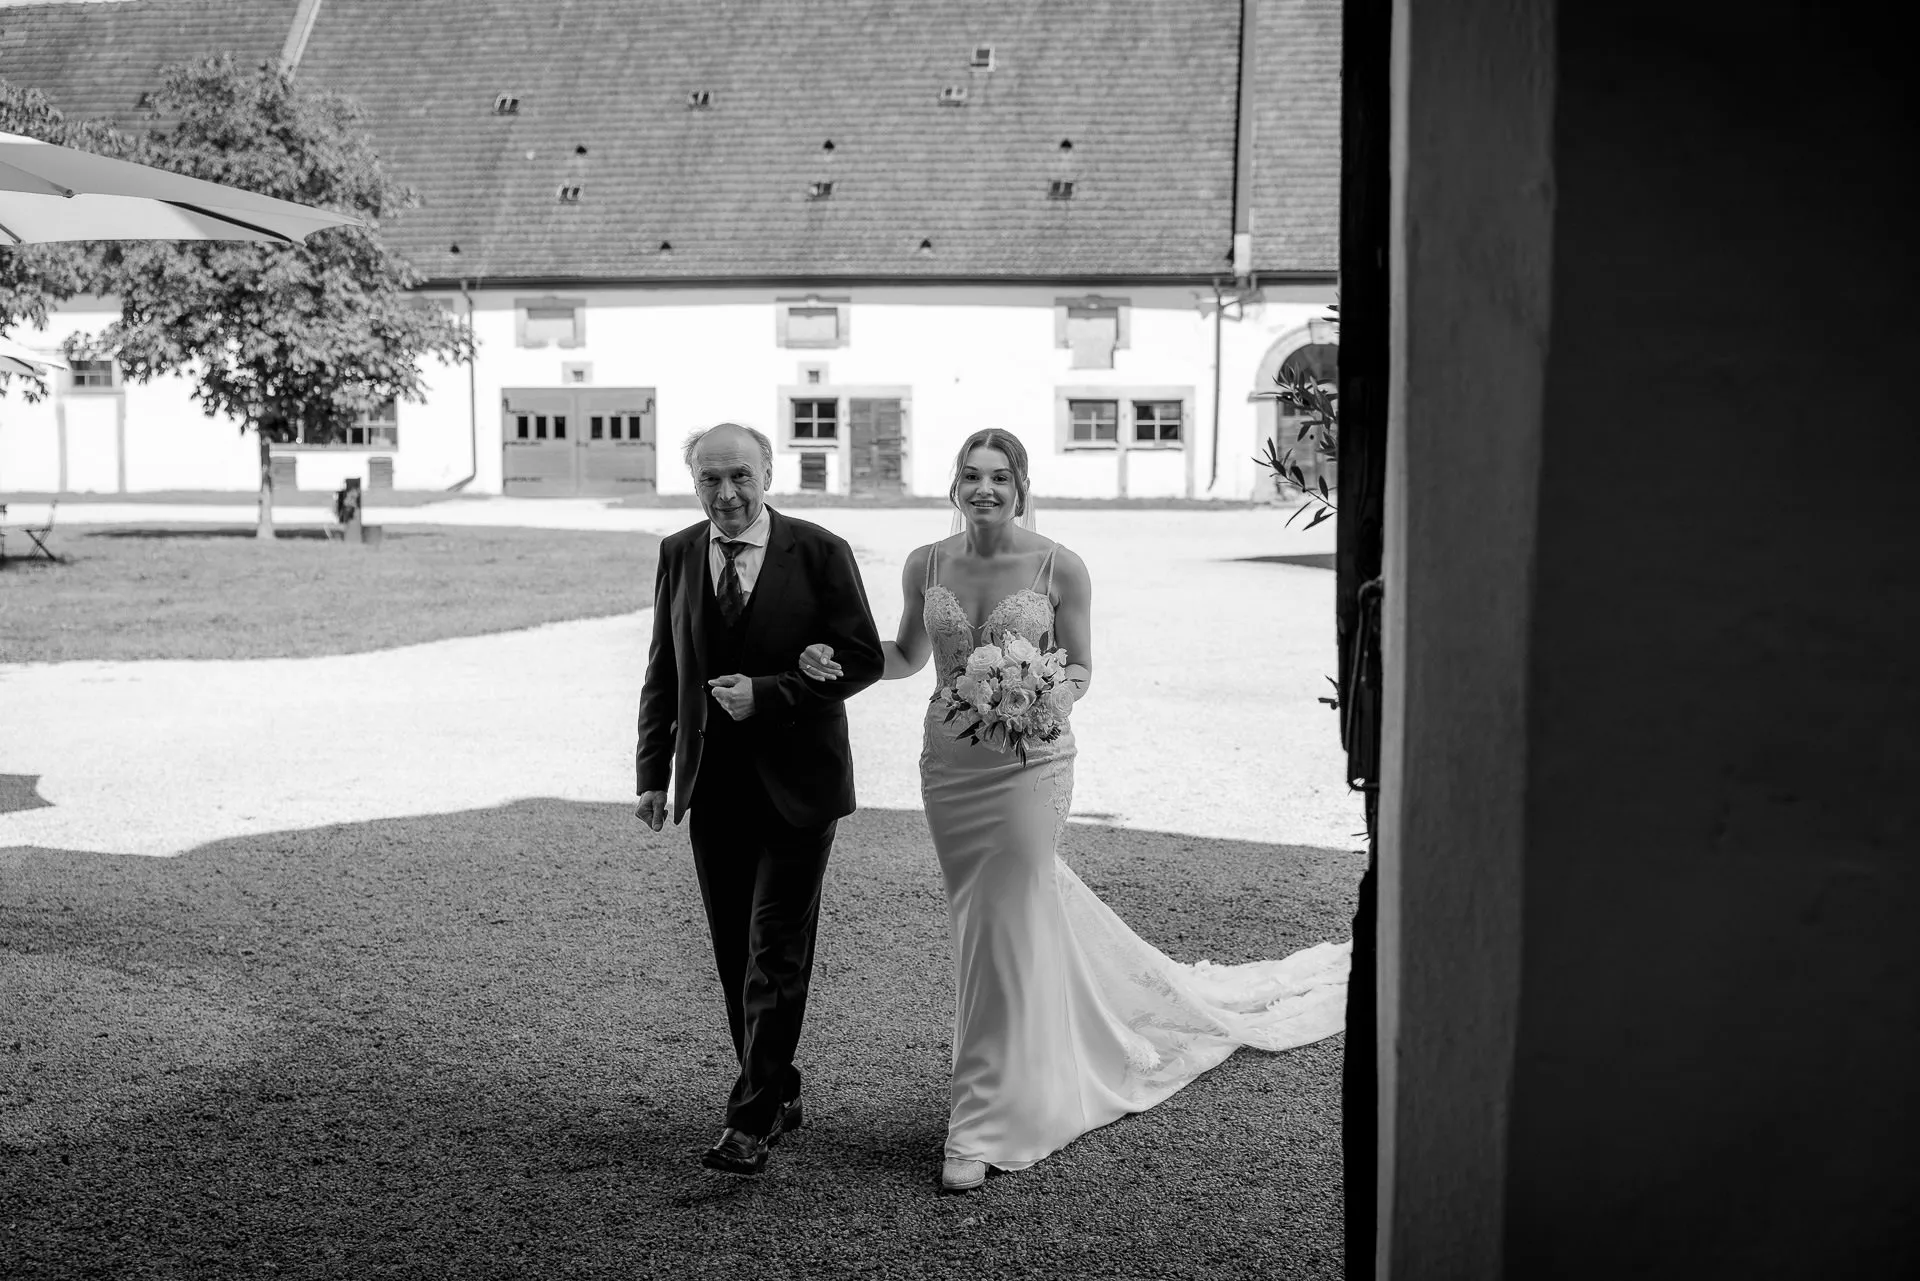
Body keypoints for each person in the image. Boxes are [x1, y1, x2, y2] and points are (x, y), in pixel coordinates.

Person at [798, 428, 1352, 1193]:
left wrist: (1042, 693)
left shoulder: (1061, 565)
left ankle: (983, 1119)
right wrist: (839, 665)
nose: (983, 487)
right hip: (951, 770)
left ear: (1021, 484)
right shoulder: (928, 562)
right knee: (988, 923)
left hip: (1032, 762)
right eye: (970, 474)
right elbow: (905, 657)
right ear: (953, 484)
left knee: (1006, 914)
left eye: (998, 476)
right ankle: (1041, 1061)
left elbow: (1083, 666)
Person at [634, 421, 884, 1177]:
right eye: (710, 479)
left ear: (769, 473)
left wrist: (772, 693)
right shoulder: (678, 553)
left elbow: (864, 657)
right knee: (732, 949)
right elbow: (663, 670)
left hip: (800, 785)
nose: (726, 493)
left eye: (740, 475)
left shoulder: (820, 551)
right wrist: (652, 771)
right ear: (695, 483)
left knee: (775, 949)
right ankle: (779, 1084)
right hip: (712, 785)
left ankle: (749, 1121)